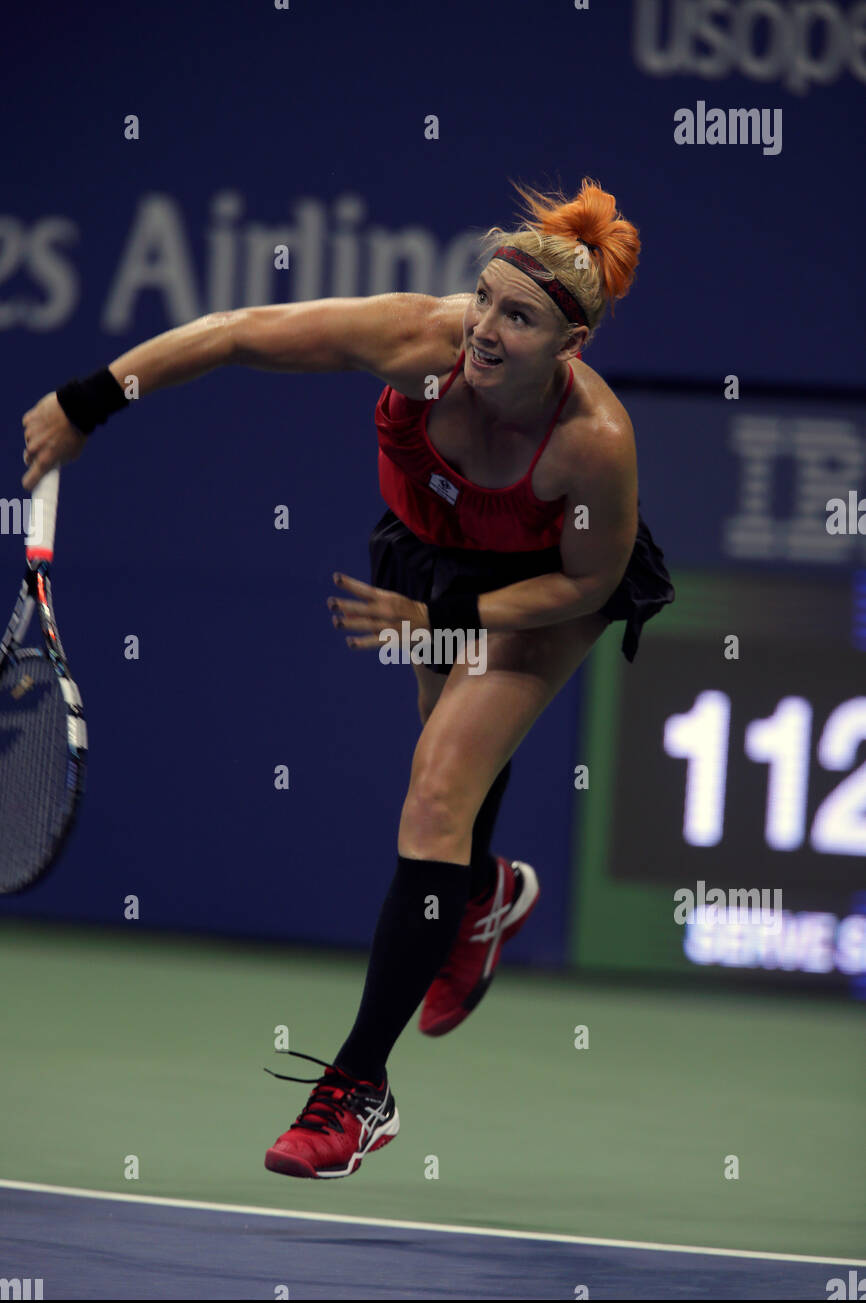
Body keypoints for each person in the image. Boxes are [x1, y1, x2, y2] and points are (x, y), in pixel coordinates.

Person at [20, 176, 674, 1181]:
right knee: (445, 779)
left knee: (435, 791)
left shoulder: (592, 444)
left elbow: (585, 577)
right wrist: (87, 401)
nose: (486, 330)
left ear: (568, 346)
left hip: (537, 588)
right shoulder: (420, 342)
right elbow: (238, 331)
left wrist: (446, 620)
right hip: (424, 559)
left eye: (519, 317)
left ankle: (357, 1090)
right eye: (485, 301)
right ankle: (483, 896)